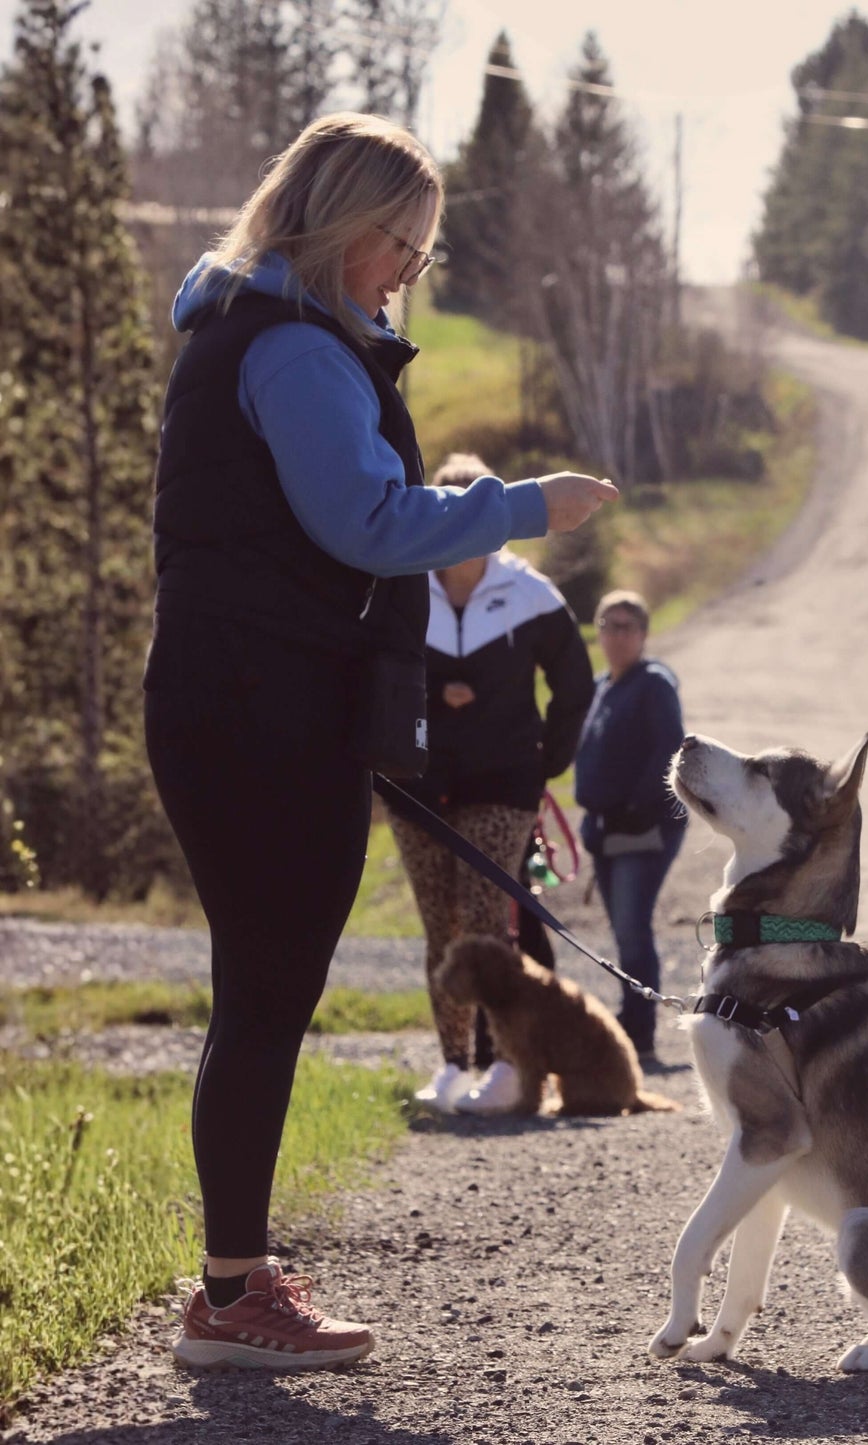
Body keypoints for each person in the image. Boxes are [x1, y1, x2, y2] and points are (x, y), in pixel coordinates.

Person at [143, 112, 617, 1373]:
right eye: (394, 242)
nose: (406, 268)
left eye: (418, 248)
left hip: (245, 696)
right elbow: (363, 520)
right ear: (336, 222)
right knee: (266, 990)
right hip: (255, 704)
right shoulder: (291, 349)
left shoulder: (257, 326)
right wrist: (522, 505)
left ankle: (233, 1280)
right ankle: (232, 1296)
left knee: (266, 987)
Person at [388, 452, 593, 1116]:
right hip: (418, 786)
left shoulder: (529, 592)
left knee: (485, 921)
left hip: (503, 785)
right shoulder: (400, 587)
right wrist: (424, 694)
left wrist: (546, 764)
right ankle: (453, 1064)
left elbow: (575, 684)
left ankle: (508, 1063)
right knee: (440, 929)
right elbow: (366, 672)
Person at [573, 591, 687, 1061]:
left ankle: (640, 1034)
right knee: (623, 930)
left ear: (643, 634)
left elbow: (669, 749)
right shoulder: (603, 686)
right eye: (608, 625)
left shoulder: (654, 683)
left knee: (632, 925)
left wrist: (636, 807)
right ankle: (630, 1020)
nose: (616, 636)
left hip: (643, 830)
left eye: (627, 627)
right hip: (606, 828)